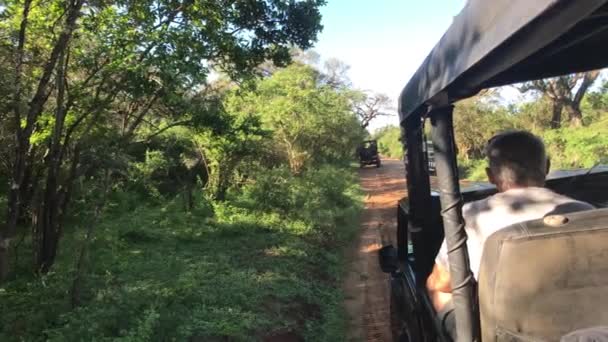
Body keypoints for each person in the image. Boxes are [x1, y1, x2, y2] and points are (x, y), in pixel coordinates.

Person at [426, 130, 594, 340]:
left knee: (437, 289)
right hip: (586, 326)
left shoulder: (473, 215)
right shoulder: (587, 211)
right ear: (547, 166)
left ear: (490, 175)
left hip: (510, 333)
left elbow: (443, 283)